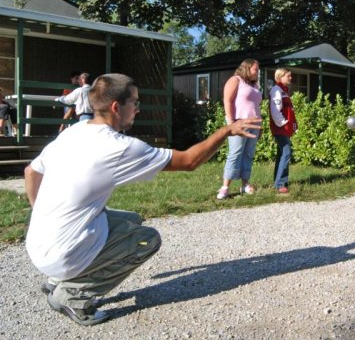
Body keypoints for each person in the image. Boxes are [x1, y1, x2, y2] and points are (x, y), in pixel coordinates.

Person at [24, 73, 261, 326]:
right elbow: (190, 161)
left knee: (132, 220)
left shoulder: (74, 132)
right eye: (134, 103)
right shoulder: (119, 147)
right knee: (147, 240)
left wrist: (42, 216)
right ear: (116, 107)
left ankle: (57, 279)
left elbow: (31, 171)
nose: (137, 109)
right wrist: (226, 130)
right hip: (61, 255)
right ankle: (72, 295)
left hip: (37, 244)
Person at [216, 59, 263, 200]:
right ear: (247, 68)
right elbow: (227, 100)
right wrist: (231, 123)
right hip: (238, 123)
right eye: (255, 69)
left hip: (254, 123)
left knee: (248, 154)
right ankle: (225, 187)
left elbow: (255, 106)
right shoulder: (235, 80)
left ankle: (245, 184)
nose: (258, 72)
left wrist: (260, 126)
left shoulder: (254, 85)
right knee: (235, 154)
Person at [269, 68, 297, 194]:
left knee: (281, 154)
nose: (290, 78)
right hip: (280, 128)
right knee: (286, 153)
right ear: (280, 77)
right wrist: (284, 124)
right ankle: (281, 183)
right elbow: (275, 111)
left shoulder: (284, 91)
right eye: (288, 76)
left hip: (285, 128)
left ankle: (278, 182)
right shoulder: (276, 90)